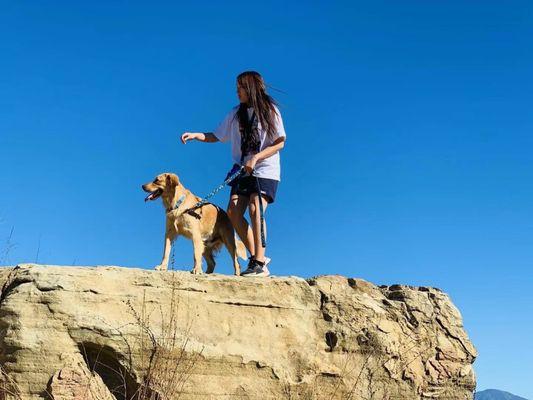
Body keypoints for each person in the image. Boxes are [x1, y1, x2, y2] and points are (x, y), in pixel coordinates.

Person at [180, 71, 286, 277]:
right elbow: (217, 135)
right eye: (237, 87)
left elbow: (279, 142)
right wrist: (196, 135)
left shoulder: (269, 110)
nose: (237, 91)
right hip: (241, 171)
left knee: (256, 208)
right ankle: (259, 259)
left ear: (252, 88)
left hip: (265, 169)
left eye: (241, 87)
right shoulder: (236, 114)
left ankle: (258, 261)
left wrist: (256, 158)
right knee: (233, 212)